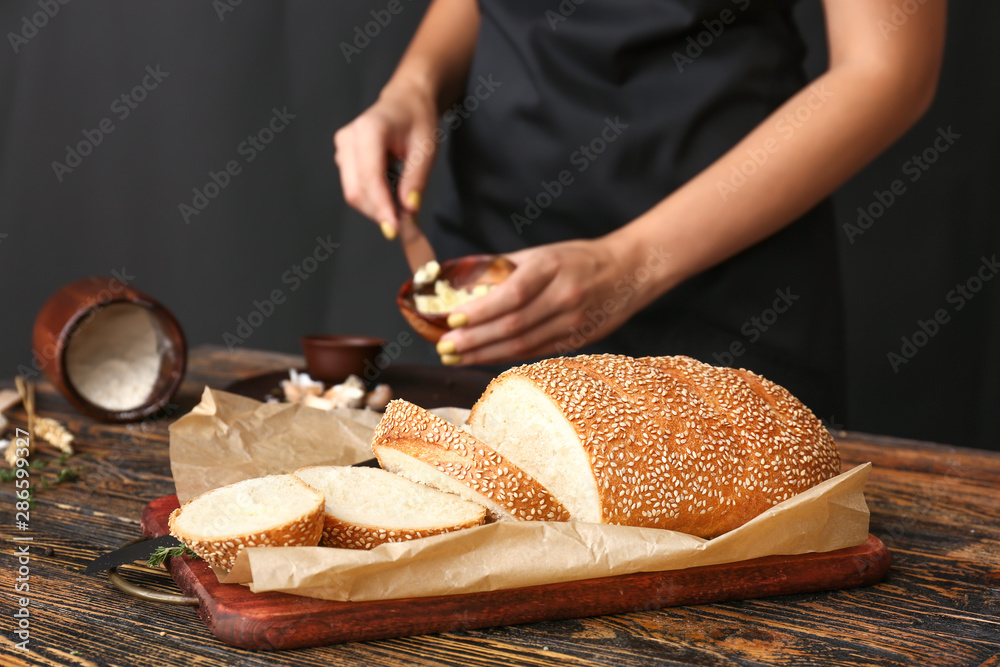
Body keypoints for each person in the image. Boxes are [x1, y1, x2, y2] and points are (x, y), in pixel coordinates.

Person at [333, 0, 946, 419]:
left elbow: (887, 69)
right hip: (495, 279)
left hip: (724, 295)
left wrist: (630, 264)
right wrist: (413, 84)